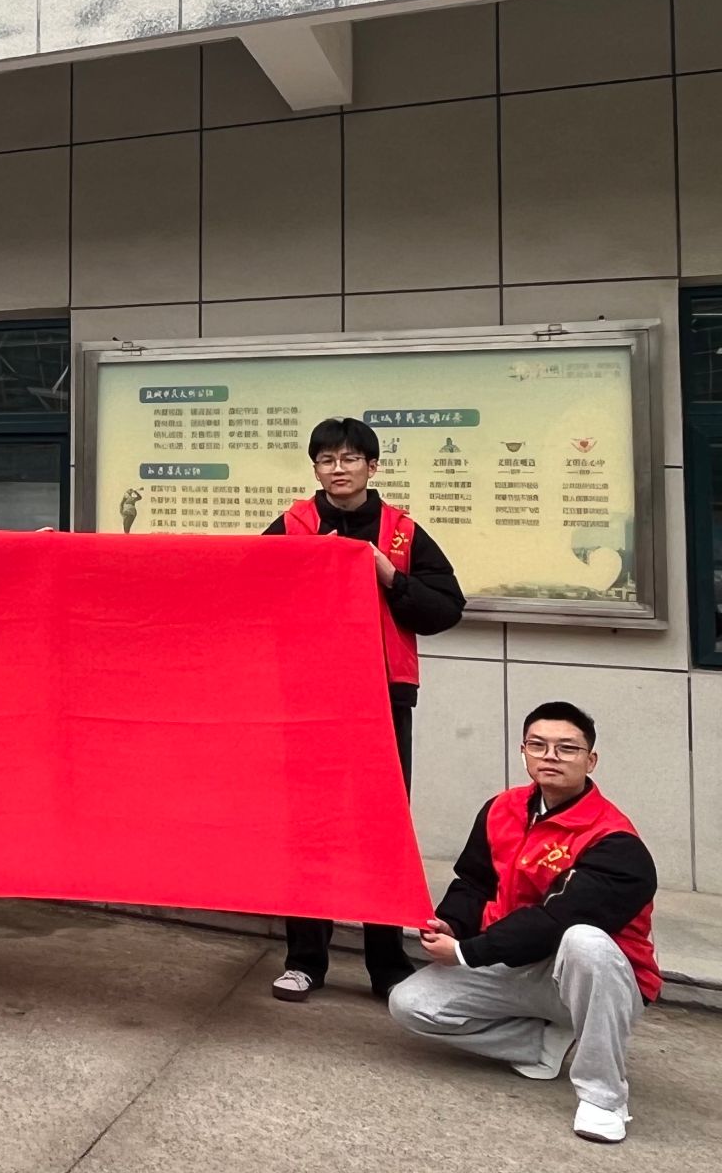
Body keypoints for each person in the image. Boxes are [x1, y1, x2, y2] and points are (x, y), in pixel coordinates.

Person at [390, 702, 659, 1146]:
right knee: (411, 1003)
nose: (550, 756)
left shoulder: (616, 842)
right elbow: (474, 881)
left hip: (597, 980)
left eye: (566, 748)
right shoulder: (502, 808)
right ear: (523, 751)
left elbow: (557, 920)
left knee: (584, 940)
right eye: (538, 745)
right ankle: (542, 1044)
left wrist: (467, 952)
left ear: (591, 760)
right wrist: (453, 925)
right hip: (520, 963)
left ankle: (603, 1098)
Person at [265, 416, 465, 1001]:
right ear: (316, 468)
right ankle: (305, 960)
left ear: (372, 466)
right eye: (327, 459)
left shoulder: (402, 532)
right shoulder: (294, 526)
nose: (338, 468)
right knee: (310, 829)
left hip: (383, 697)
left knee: (382, 828)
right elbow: (247, 587)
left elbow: (445, 608)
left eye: (350, 458)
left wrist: (387, 574)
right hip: (309, 702)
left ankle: (386, 964)